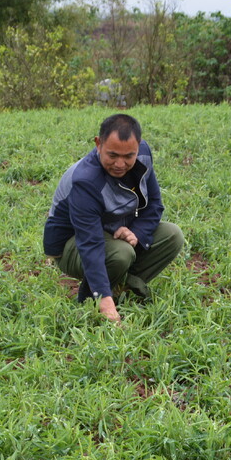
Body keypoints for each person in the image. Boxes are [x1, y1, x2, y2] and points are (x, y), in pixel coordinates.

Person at [43, 114, 184, 322]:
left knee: (172, 235)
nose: (120, 163)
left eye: (128, 156)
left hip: (110, 229)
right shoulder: (85, 181)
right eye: (112, 155)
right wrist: (104, 301)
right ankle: (93, 300)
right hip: (71, 243)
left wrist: (136, 232)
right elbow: (90, 243)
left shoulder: (143, 155)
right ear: (98, 144)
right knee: (121, 253)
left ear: (138, 146)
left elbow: (154, 203)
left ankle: (121, 286)